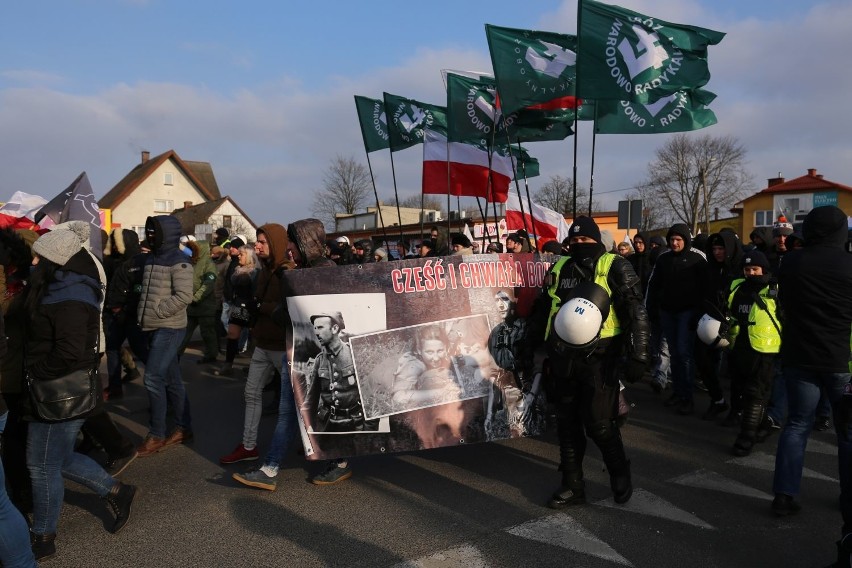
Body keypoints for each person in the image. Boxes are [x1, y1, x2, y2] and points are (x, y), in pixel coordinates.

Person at [25, 228, 137, 561]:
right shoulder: (61, 287)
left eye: (39, 257)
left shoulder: (70, 295)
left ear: (55, 261)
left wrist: (35, 373)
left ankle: (42, 535)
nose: (33, 261)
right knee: (53, 459)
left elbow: (70, 352)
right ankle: (116, 489)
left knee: (41, 466)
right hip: (60, 388)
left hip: (60, 390)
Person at [524, 216, 650, 508]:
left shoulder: (615, 265)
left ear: (597, 241)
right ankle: (572, 484)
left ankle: (619, 472)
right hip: (561, 354)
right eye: (575, 240)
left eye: (586, 240)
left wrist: (640, 352)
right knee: (566, 424)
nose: (580, 245)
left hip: (600, 356)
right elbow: (545, 306)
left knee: (599, 424)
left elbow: (636, 311)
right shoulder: (560, 267)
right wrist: (530, 342)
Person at [232, 218, 337, 491]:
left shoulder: (323, 271)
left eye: (293, 241)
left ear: (306, 242)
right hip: (298, 352)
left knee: (310, 411)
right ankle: (271, 468)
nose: (289, 246)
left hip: (314, 356)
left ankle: (333, 463)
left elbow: (316, 315)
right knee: (290, 412)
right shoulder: (299, 270)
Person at [771, 206, 852, 554]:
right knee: (847, 432)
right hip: (840, 360)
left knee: (797, 425)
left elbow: (783, 304)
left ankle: (785, 494)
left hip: (799, 356)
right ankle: (848, 498)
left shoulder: (792, 262)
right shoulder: (850, 264)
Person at [219, 224, 293, 465]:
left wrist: (259, 308)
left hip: (283, 348)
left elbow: (289, 311)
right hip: (261, 343)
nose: (256, 245)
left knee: (294, 404)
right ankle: (248, 445)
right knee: (251, 393)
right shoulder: (260, 272)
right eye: (257, 241)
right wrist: (244, 318)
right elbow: (251, 301)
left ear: (278, 244)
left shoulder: (288, 272)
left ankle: (315, 445)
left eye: (263, 241)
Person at [136, 215, 194, 456]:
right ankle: (183, 427)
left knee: (152, 377)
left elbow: (184, 296)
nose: (150, 234)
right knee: (173, 381)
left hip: (170, 328)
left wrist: (159, 312)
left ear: (166, 234)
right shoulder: (151, 257)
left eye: (154, 231)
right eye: (148, 230)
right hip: (154, 327)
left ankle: (157, 434)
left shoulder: (180, 261)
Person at [646, 224, 707, 415]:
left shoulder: (697, 258)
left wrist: (698, 313)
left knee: (683, 353)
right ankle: (678, 392)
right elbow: (654, 285)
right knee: (673, 353)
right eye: (672, 239)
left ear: (686, 240)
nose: (674, 243)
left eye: (678, 240)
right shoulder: (664, 258)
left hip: (687, 312)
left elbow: (705, 288)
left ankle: (686, 396)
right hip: (667, 311)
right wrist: (652, 308)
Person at [724, 251, 781, 456]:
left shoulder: (774, 289)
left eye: (755, 269)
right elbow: (730, 313)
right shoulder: (737, 287)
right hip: (739, 346)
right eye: (747, 270)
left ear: (763, 269)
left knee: (755, 393)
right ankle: (764, 424)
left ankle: (746, 437)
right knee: (741, 389)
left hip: (765, 349)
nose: (750, 273)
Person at [697, 229, 743, 422]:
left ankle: (737, 409)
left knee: (736, 370)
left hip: (736, 327)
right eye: (714, 248)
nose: (717, 252)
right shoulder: (710, 269)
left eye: (721, 248)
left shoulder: (741, 269)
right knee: (701, 359)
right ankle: (717, 400)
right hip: (711, 323)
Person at [215, 246, 259, 378]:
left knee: (255, 338)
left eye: (242, 254)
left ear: (249, 256)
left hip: (250, 307)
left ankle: (254, 367)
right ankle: (228, 365)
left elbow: (255, 292)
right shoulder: (237, 270)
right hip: (238, 306)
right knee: (232, 334)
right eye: (239, 254)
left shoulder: (255, 272)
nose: (239, 256)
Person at [178, 238, 219, 364]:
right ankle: (176, 355)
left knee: (207, 334)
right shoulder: (191, 262)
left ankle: (211, 355)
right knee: (184, 333)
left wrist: (196, 297)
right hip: (191, 306)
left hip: (205, 307)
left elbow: (209, 283)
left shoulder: (209, 264)